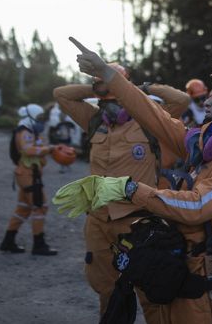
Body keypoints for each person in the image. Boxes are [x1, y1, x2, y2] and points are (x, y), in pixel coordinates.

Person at [55, 37, 212, 323]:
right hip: (174, 266)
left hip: (202, 282)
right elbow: (150, 113)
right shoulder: (206, 142)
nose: (207, 99)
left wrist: (130, 188)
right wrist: (107, 74)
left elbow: (197, 207)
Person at [52, 63, 189, 322]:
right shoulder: (93, 120)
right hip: (99, 220)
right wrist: (98, 85)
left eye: (116, 100)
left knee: (150, 289)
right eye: (106, 102)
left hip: (137, 219)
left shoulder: (150, 122)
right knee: (108, 291)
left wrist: (134, 89)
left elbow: (181, 99)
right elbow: (61, 93)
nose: (111, 109)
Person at [0, 104, 58, 256]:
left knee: (23, 208)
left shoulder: (32, 133)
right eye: (39, 118)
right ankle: (39, 245)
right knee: (40, 207)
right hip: (28, 175)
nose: (41, 121)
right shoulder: (24, 132)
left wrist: (47, 149)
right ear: (30, 117)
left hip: (29, 174)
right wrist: (48, 149)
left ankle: (8, 242)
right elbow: (27, 150)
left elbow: (38, 152)